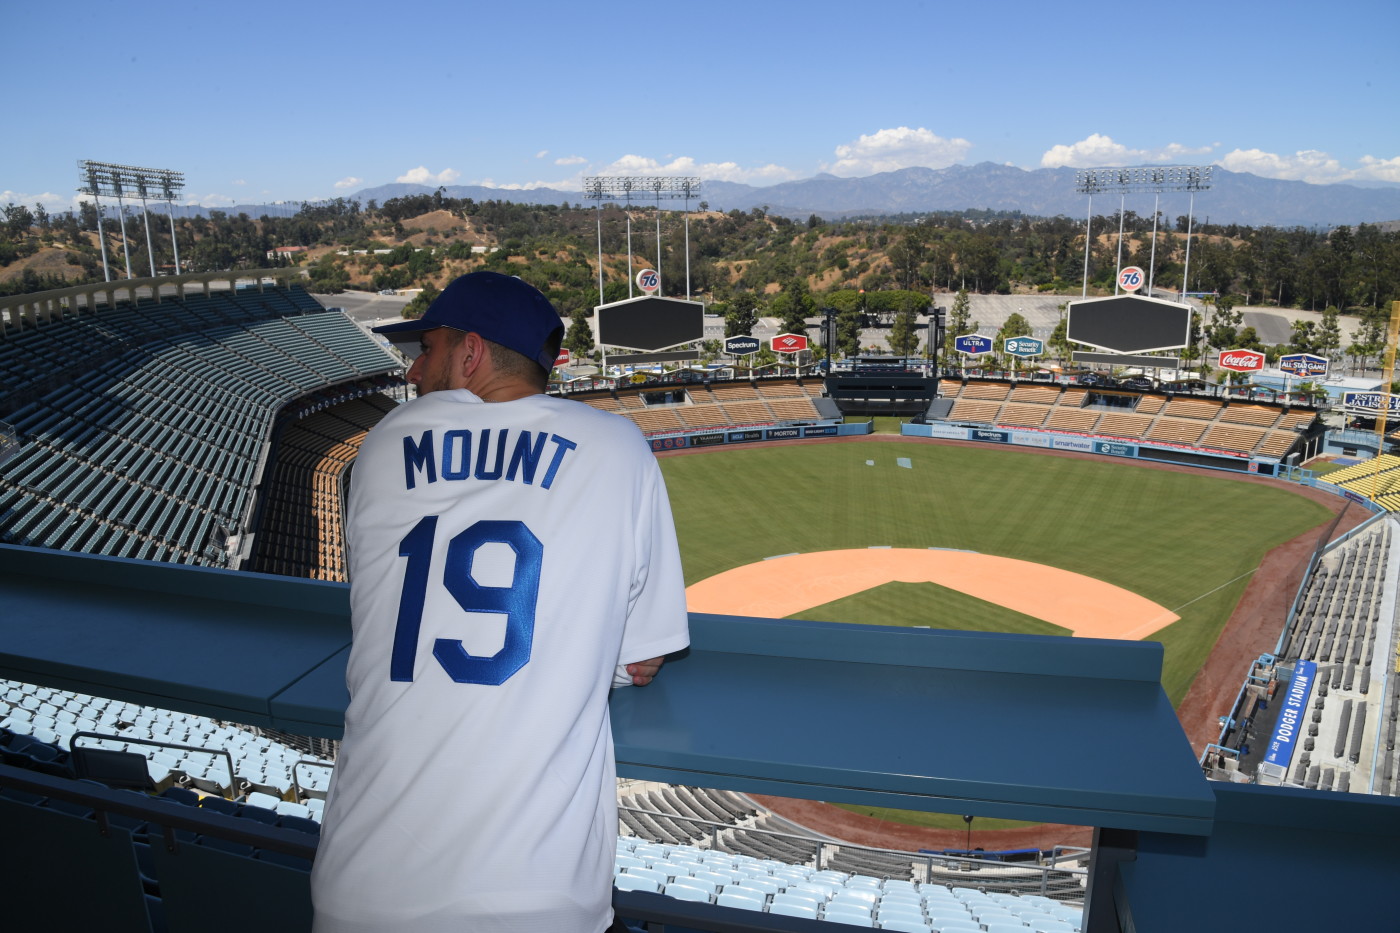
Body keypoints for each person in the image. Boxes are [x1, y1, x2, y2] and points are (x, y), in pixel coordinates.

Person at [311, 271, 690, 933]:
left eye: (426, 349)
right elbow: (642, 659)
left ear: (472, 353)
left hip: (358, 886)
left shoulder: (381, 446)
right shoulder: (615, 446)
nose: (414, 370)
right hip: (534, 898)